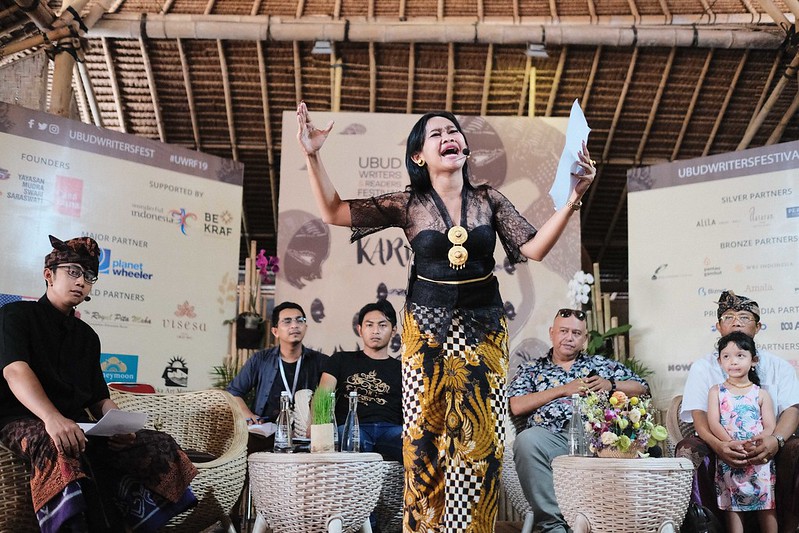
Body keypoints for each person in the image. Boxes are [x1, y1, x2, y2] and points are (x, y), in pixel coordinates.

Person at [296, 101, 596, 532]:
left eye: (452, 131)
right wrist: (311, 154)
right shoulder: (408, 203)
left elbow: (533, 248)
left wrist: (573, 198)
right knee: (423, 443)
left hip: (483, 333)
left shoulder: (488, 198)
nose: (447, 137)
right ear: (419, 156)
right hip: (427, 334)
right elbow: (333, 211)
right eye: (435, 134)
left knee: (483, 443)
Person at [0, 235, 197, 533]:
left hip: (79, 425)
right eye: (73, 272)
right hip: (22, 418)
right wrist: (52, 418)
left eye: (89, 276)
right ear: (48, 275)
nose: (81, 281)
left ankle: (133, 522)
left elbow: (98, 398)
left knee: (159, 443)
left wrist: (120, 426)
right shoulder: (15, 316)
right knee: (58, 442)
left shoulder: (87, 336)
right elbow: (15, 370)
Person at [508, 308, 649, 533]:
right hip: (549, 439)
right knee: (526, 441)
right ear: (552, 333)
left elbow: (642, 388)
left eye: (576, 333)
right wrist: (564, 390)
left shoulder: (602, 366)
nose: (569, 337)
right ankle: (553, 525)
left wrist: (611, 385)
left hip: (596, 441)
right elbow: (516, 405)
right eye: (563, 331)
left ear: (585, 339)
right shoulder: (531, 369)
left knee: (623, 442)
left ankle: (609, 523)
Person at [677, 291, 799, 532]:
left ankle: (791, 526)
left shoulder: (779, 366)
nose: (736, 322)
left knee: (797, 448)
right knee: (688, 448)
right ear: (718, 326)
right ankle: (707, 526)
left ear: (758, 326)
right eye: (729, 317)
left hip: (767, 446)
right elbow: (700, 416)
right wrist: (718, 444)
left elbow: (792, 411)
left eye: (744, 316)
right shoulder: (703, 367)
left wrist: (775, 440)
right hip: (720, 445)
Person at [227, 301, 326, 450]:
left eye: (300, 320)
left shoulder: (321, 361)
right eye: (287, 321)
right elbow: (233, 392)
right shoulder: (260, 359)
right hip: (268, 432)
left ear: (306, 327)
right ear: (275, 331)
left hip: (305, 433)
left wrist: (316, 421)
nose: (294, 325)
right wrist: (248, 415)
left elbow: (328, 397)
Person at [708, 331, 777, 533]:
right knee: (733, 505)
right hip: (731, 456)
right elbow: (713, 422)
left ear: (753, 360)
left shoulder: (761, 393)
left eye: (740, 355)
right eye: (726, 356)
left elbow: (770, 426)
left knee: (766, 504)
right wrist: (731, 443)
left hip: (758, 457)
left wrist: (758, 441)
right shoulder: (716, 391)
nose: (733, 361)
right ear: (719, 362)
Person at [319, 300, 402, 461]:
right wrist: (317, 425)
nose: (375, 331)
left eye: (383, 325)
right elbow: (323, 395)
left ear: (393, 331)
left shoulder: (403, 368)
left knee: (414, 445)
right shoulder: (340, 360)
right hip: (352, 427)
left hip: (390, 428)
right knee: (352, 440)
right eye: (369, 325)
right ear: (360, 330)